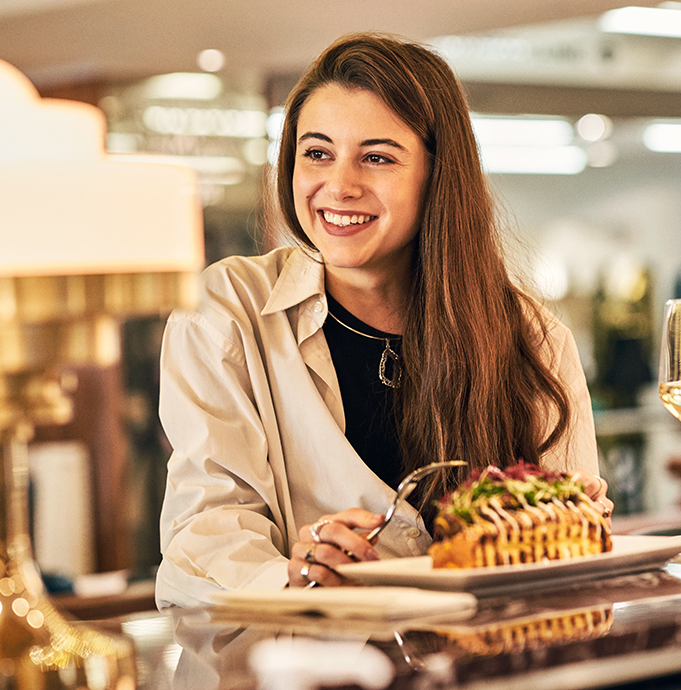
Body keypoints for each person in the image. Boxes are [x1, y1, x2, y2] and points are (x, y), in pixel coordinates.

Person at [156, 32, 611, 608]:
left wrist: (571, 525)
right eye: (317, 153)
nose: (339, 186)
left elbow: (566, 563)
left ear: (438, 174)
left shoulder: (533, 340)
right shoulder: (227, 310)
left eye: (376, 157)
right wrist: (297, 576)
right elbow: (208, 526)